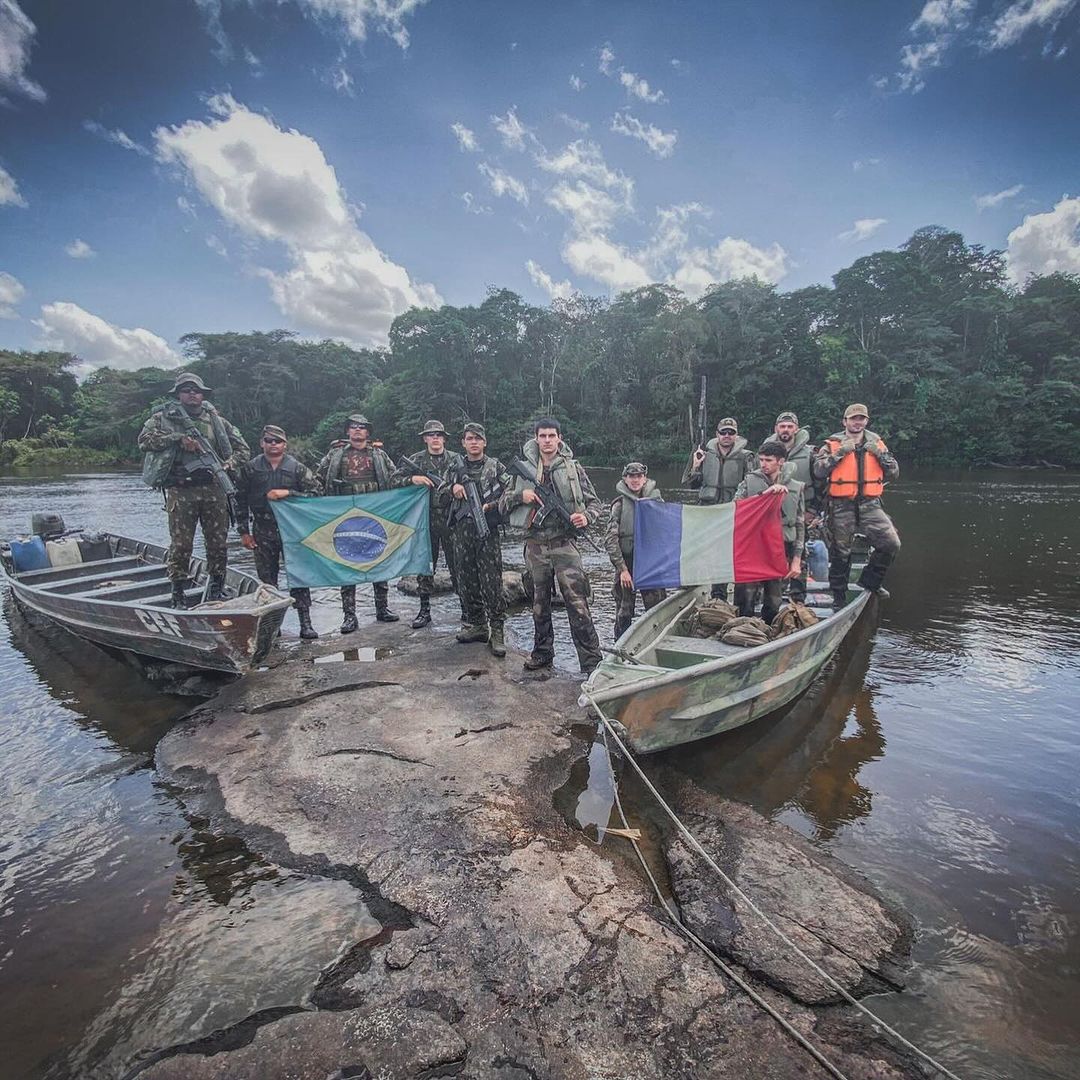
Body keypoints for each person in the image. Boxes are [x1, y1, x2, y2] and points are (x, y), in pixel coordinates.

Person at [138, 372, 249, 608]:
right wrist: (177, 438)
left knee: (218, 543)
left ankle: (216, 590)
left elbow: (243, 449)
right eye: (186, 390)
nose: (192, 394)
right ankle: (177, 594)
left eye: (196, 390)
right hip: (181, 489)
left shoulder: (216, 421)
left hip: (213, 489)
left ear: (202, 394)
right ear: (178, 394)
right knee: (181, 545)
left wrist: (227, 465)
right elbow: (144, 441)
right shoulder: (163, 418)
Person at [501, 418, 603, 675]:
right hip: (535, 545)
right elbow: (501, 504)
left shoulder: (573, 469)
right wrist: (519, 496)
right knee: (539, 605)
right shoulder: (522, 469)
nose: (547, 441)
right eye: (543, 436)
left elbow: (596, 504)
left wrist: (586, 517)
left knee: (578, 605)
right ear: (536, 438)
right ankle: (543, 654)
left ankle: (591, 663)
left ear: (559, 438)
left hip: (564, 544)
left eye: (551, 435)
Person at [235, 425, 322, 640]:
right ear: (262, 443)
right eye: (269, 440)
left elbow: (316, 493)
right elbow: (239, 500)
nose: (274, 444)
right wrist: (244, 532)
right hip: (262, 528)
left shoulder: (297, 468)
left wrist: (288, 493)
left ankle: (306, 622)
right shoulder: (250, 468)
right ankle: (272, 627)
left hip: (292, 529)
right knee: (267, 579)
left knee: (299, 575)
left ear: (285, 444)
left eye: (278, 441)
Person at [317, 414, 401, 632]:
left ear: (367, 432)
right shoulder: (335, 455)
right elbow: (318, 480)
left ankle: (382, 608)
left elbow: (394, 478)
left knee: (379, 558)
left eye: (361, 427)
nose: (357, 431)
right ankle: (349, 616)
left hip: (374, 515)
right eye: (353, 427)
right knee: (347, 562)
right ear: (347, 431)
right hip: (346, 518)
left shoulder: (379, 455)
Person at [813, 403, 901, 607]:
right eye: (853, 418)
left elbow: (894, 472)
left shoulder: (877, 444)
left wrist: (879, 455)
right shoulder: (832, 444)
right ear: (845, 421)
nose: (857, 422)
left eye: (861, 418)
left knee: (891, 543)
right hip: (841, 505)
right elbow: (818, 470)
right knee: (841, 552)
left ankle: (870, 581)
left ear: (866, 421)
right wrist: (840, 453)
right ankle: (839, 596)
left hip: (869, 503)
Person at [449, 422, 514, 657]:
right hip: (462, 530)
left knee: (492, 582)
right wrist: (453, 487)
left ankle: (497, 630)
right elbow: (440, 488)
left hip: (487, 528)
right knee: (466, 579)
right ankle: (477, 625)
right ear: (463, 442)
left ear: (484, 442)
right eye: (469, 438)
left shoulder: (495, 467)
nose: (474, 442)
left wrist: (492, 505)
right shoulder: (455, 466)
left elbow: (511, 491)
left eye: (478, 438)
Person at [397, 420, 466, 629]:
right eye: (431, 435)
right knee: (426, 565)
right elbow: (394, 480)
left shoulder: (456, 459)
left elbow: (468, 479)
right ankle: (424, 610)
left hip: (452, 518)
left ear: (444, 438)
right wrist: (413, 479)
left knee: (459, 565)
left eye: (438, 435)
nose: (435, 438)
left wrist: (457, 486)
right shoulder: (415, 461)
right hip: (425, 519)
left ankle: (466, 608)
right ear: (425, 438)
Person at [682, 416, 756, 600]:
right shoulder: (704, 454)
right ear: (717, 434)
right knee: (702, 549)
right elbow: (691, 484)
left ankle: (722, 594)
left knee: (727, 554)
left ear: (736, 436)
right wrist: (696, 466)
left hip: (732, 513)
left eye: (731, 432)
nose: (727, 436)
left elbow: (753, 484)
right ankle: (694, 586)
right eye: (723, 432)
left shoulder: (746, 457)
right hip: (708, 511)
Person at [733, 440, 806, 625]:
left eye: (768, 460)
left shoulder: (796, 487)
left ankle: (769, 632)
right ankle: (742, 631)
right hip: (753, 547)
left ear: (781, 462)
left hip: (781, 548)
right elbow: (737, 508)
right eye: (761, 459)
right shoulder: (749, 482)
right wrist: (765, 494)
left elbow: (799, 524)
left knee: (774, 600)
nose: (763, 464)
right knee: (745, 599)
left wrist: (796, 559)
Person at [605, 461, 667, 640]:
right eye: (631, 476)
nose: (635, 480)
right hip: (627, 564)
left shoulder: (656, 501)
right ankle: (620, 647)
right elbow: (610, 539)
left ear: (644, 478)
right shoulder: (619, 505)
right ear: (625, 479)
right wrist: (622, 569)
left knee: (657, 610)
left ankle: (657, 644)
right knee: (624, 613)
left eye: (639, 476)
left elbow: (667, 531)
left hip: (650, 565)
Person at [772, 410, 820, 604]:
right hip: (775, 512)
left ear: (796, 429)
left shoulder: (810, 454)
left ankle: (798, 597)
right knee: (775, 553)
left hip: (803, 511)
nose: (786, 430)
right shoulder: (769, 451)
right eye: (782, 426)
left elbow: (821, 485)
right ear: (776, 429)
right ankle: (774, 593)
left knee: (800, 554)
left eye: (789, 426)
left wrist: (814, 512)